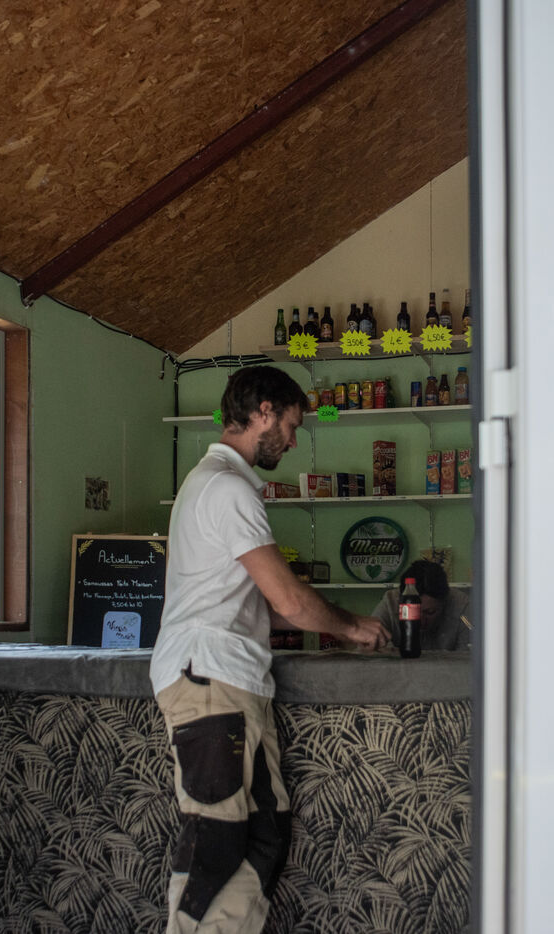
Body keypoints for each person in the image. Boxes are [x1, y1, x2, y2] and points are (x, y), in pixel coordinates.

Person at [150, 365, 391, 934]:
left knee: (264, 832)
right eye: (291, 424)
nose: (293, 439)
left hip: (229, 681)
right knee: (215, 840)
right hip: (209, 679)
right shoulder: (227, 488)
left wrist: (342, 624)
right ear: (263, 412)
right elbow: (289, 601)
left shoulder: (217, 484)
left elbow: (271, 606)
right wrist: (353, 627)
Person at [370, 558, 472, 651]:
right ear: (401, 601)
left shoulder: (462, 606)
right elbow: (371, 643)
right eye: (413, 612)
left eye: (430, 612)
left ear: (444, 602)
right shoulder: (391, 602)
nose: (420, 621)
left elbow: (469, 656)